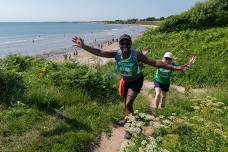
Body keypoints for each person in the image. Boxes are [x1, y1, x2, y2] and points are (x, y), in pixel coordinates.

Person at [72, 34, 192, 137]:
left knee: (129, 103)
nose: (125, 45)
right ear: (119, 44)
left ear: (131, 44)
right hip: (125, 81)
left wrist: (176, 67)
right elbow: (100, 52)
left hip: (137, 81)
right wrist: (84, 46)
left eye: (127, 43)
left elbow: (155, 62)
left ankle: (130, 129)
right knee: (126, 103)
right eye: (122, 43)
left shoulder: (136, 55)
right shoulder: (117, 54)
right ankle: (127, 119)